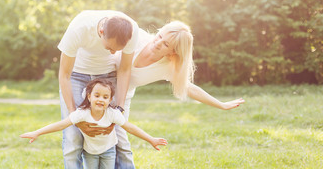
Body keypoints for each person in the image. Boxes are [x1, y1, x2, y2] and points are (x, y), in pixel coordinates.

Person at [78, 21, 245, 165]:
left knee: (121, 145)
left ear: (173, 52)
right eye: (159, 37)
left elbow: (189, 88)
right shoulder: (137, 37)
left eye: (166, 44)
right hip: (95, 93)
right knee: (88, 138)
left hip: (121, 100)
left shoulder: (167, 66)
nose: (157, 43)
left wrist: (221, 105)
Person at [20, 78, 167, 169]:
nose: (100, 99)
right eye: (97, 95)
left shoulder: (112, 113)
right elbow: (61, 125)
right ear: (89, 96)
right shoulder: (82, 113)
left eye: (105, 97)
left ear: (110, 100)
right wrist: (37, 132)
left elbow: (131, 128)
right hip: (90, 152)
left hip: (109, 151)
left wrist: (151, 139)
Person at [57, 10, 139, 169]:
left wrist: (120, 108)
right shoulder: (79, 27)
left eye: (118, 50)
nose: (114, 53)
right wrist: (75, 116)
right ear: (101, 32)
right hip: (75, 75)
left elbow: (124, 70)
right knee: (72, 136)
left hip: (108, 76)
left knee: (118, 134)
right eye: (110, 47)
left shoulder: (131, 29)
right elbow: (64, 74)